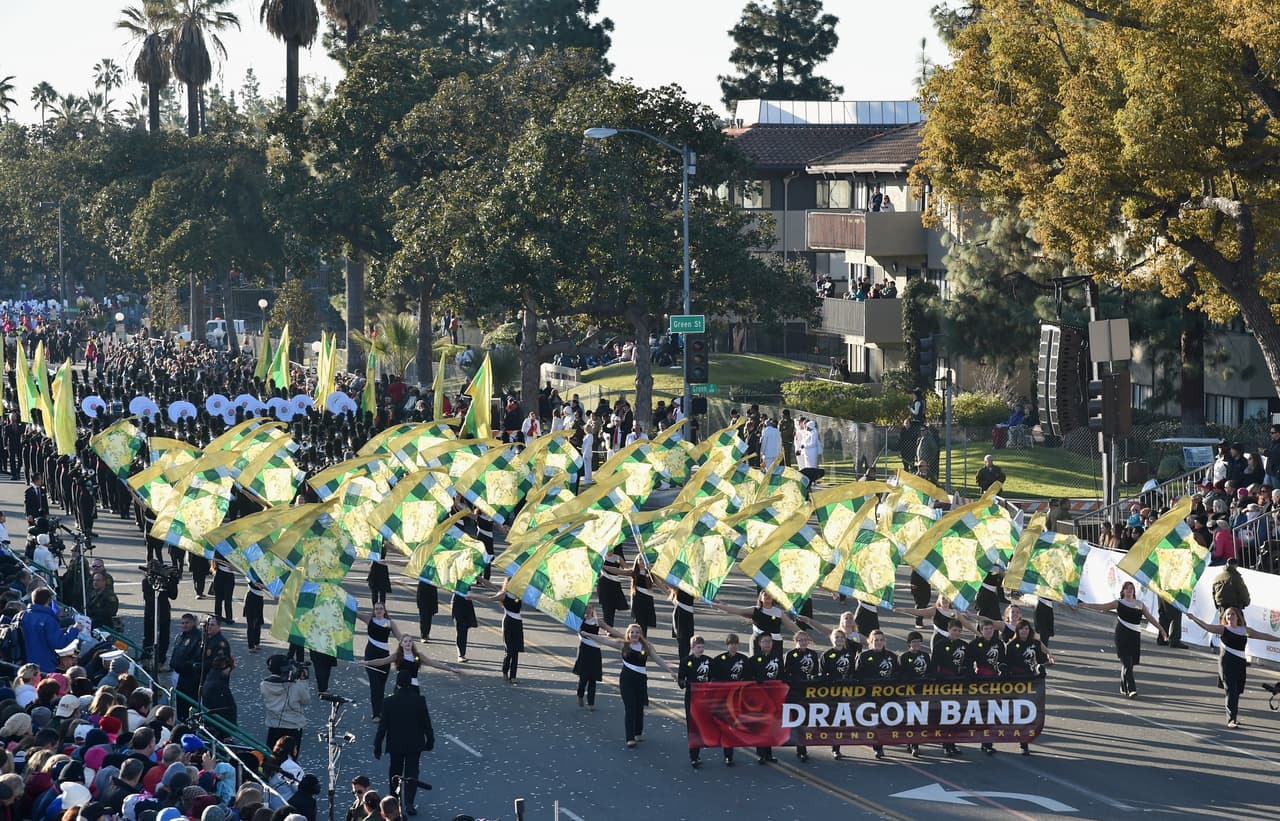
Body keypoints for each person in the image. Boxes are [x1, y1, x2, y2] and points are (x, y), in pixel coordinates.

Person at [1187, 607, 1280, 728]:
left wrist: (1278, 639)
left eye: (1232, 614)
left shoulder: (1244, 630)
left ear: (1238, 617)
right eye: (1227, 615)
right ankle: (1231, 720)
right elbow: (1207, 627)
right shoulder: (1223, 629)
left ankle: (1233, 717)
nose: (1230, 617)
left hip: (1240, 663)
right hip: (1227, 663)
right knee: (1231, 690)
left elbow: (1261, 635)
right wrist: (1194, 618)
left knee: (1236, 691)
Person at [589, 622, 676, 748]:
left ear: (640, 634)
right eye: (632, 632)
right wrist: (588, 634)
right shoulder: (623, 645)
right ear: (628, 634)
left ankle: (637, 732)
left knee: (639, 707)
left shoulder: (646, 647)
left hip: (640, 680)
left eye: (637, 632)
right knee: (630, 707)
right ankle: (630, 738)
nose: (634, 634)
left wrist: (671, 671)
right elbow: (604, 640)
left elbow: (658, 659)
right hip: (626, 679)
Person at [1080, 581, 1167, 698]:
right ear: (1123, 591)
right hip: (1122, 634)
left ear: (1134, 592)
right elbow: (1102, 607)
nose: (1129, 590)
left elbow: (1150, 618)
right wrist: (1086, 605)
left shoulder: (1139, 604)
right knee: (1127, 662)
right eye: (1127, 588)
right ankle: (1132, 689)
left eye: (1131, 588)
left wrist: (1161, 629)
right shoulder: (1119, 603)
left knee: (1129, 664)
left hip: (1134, 636)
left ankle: (1123, 686)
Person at [374, 670, 435, 817]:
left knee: (395, 772)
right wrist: (430, 740)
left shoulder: (389, 701)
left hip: (395, 744)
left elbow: (383, 726)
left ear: (397, 683)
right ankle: (409, 803)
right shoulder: (419, 700)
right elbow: (426, 723)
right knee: (412, 773)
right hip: (414, 744)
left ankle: (393, 801)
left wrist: (377, 745)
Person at [855, 630, 899, 759]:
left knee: (884, 721)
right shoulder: (863, 656)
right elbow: (857, 675)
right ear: (870, 642)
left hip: (887, 695)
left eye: (881, 640)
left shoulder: (892, 656)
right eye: (876, 640)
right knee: (872, 721)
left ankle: (880, 745)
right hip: (870, 696)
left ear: (884, 641)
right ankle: (876, 744)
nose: (879, 643)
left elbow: (898, 673)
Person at [20, 588, 78, 673]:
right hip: (43, 666)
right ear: (49, 600)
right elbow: (59, 643)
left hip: (20, 664)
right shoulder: (48, 620)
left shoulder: (20, 615)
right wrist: (74, 630)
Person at [261, 655, 310, 750]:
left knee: (272, 756)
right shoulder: (295, 686)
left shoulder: (264, 685)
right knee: (290, 757)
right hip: (293, 726)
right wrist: (302, 681)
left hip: (274, 725)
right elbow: (306, 700)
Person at [679, 635, 713, 768]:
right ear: (692, 648)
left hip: (705, 697)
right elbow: (681, 680)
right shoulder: (685, 661)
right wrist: (687, 683)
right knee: (692, 726)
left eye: (702, 647)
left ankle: (700, 748)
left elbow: (713, 677)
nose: (701, 650)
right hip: (692, 697)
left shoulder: (709, 661)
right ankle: (693, 755)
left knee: (703, 725)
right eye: (698, 647)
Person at [169, 613, 203, 719]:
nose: (184, 625)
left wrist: (185, 666)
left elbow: (195, 657)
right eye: (182, 623)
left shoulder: (197, 637)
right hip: (177, 673)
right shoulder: (180, 636)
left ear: (193, 623)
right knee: (179, 702)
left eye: (187, 623)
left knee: (189, 703)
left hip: (188, 676)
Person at [574, 604, 604, 710]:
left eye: (591, 607)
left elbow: (609, 629)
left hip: (595, 652)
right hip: (584, 651)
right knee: (583, 678)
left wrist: (612, 634)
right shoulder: (580, 621)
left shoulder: (597, 621)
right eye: (587, 607)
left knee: (593, 678)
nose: (589, 609)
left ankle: (591, 703)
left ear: (593, 609)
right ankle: (580, 695)